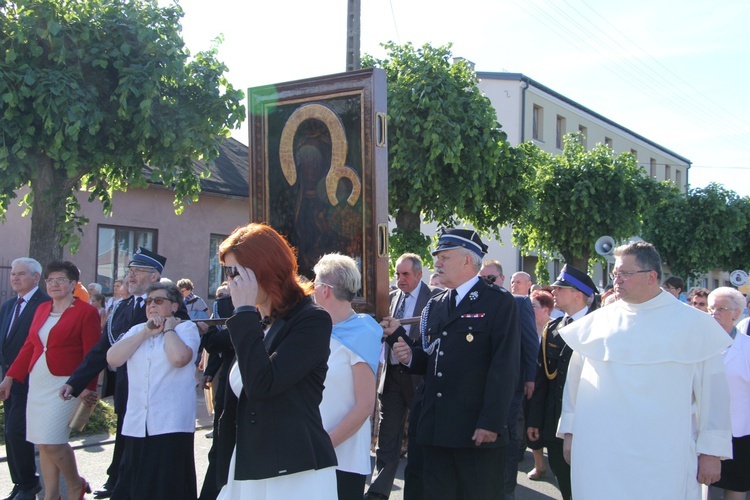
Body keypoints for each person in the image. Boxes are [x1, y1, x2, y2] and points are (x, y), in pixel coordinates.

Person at [559, 242, 732, 499]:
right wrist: (570, 432)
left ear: (651, 277)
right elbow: (575, 384)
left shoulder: (694, 324)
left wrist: (710, 452)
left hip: (663, 456)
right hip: (601, 452)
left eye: (624, 274)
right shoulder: (596, 322)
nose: (616, 280)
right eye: (614, 274)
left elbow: (713, 395)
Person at [387, 228, 520, 499]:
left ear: (468, 261)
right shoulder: (436, 304)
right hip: (435, 426)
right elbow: (435, 357)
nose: (437, 263)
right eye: (438, 258)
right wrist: (411, 357)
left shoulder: (497, 302)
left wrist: (491, 422)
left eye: (444, 257)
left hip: (474, 427)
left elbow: (504, 367)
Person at [215, 223, 337, 499]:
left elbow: (262, 384)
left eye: (236, 273)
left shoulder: (311, 319)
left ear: (263, 269)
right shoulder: (261, 322)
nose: (230, 282)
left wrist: (244, 312)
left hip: (293, 470)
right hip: (249, 462)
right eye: (227, 272)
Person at [59, 247, 170, 499]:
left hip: (153, 387)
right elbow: (101, 350)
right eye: (129, 271)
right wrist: (74, 383)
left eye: (138, 271)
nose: (130, 277)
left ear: (154, 277)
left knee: (147, 442)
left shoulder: (165, 305)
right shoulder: (121, 307)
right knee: (123, 433)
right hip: (125, 384)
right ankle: (116, 479)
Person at [0, 261, 101, 500]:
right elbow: (29, 347)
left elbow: (92, 354)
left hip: (67, 385)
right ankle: (51, 495)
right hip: (38, 383)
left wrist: (88, 387)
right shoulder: (42, 309)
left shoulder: (86, 312)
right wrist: (10, 377)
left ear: (73, 284)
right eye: (50, 280)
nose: (54, 285)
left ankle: (75, 484)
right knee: (42, 443)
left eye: (61, 280)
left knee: (53, 441)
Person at [106, 282, 200, 499]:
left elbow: (179, 359)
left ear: (174, 306)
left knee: (166, 487)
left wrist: (168, 328)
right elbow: (113, 358)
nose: (152, 305)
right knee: (132, 485)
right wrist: (146, 333)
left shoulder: (185, 328)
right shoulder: (137, 330)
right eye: (149, 301)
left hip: (170, 423)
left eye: (159, 301)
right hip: (138, 422)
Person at [367, 253, 437, 500]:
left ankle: (417, 493)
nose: (400, 279)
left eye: (405, 274)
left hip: (418, 379)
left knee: (419, 439)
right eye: (397, 274)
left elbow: (430, 344)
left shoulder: (433, 300)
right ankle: (377, 492)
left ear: (419, 274)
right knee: (387, 438)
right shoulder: (390, 298)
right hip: (392, 376)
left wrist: (398, 336)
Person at [313, 254, 381, 500]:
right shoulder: (314, 329)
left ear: (326, 291)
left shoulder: (362, 332)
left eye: (316, 282)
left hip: (343, 458)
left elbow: (365, 405)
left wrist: (323, 445)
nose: (312, 288)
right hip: (307, 453)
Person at [526, 265, 597, 500]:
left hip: (589, 421)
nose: (554, 291)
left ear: (578, 293)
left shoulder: (599, 327)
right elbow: (542, 379)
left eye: (560, 288)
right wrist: (535, 420)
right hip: (555, 422)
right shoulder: (552, 329)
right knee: (565, 482)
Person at [479, 261, 538, 500]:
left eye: (491, 279)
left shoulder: (519, 302)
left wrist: (530, 378)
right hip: (486, 382)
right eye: (483, 279)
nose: (487, 283)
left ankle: (507, 487)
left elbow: (530, 342)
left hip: (513, 381)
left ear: (502, 279)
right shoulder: (479, 302)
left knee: (508, 432)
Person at [0, 258, 49, 500]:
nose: (15, 278)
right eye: (13, 274)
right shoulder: (9, 306)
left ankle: (30, 483)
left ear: (36, 277)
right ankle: (20, 483)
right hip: (9, 379)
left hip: (33, 378)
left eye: (21, 274)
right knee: (10, 432)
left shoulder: (46, 304)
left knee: (18, 430)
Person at [707, 287, 750, 499]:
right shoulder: (697, 344)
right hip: (700, 431)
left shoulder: (747, 349)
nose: (713, 313)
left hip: (738, 434)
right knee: (699, 488)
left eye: (720, 309)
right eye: (710, 308)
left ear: (736, 313)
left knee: (735, 489)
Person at [525, 289, 554, 481]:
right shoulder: (525, 328)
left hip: (547, 386)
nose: (529, 309)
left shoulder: (554, 329)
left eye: (533, 306)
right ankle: (539, 465)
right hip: (529, 383)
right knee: (530, 422)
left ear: (546, 309)